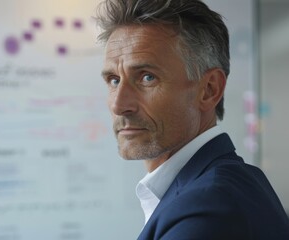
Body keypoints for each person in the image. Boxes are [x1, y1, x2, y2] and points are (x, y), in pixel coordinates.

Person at [95, 0, 289, 239]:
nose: (118, 105)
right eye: (114, 80)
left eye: (147, 77)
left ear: (208, 90)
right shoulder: (215, 186)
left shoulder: (209, 207)